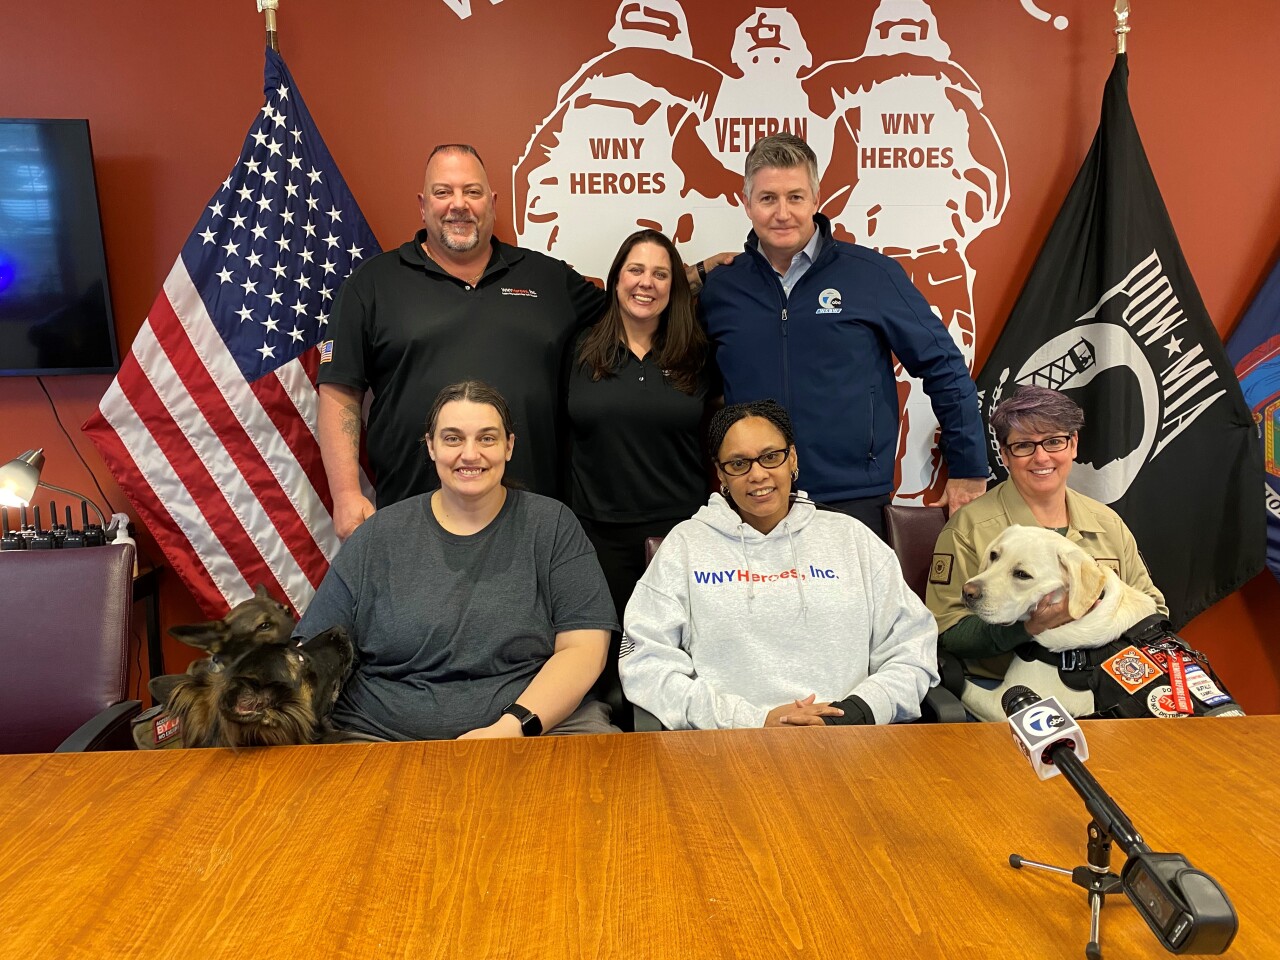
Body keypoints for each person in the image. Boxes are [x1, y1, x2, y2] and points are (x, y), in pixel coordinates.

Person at [318, 144, 727, 540]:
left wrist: (697, 274)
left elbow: (630, 301)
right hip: (413, 516)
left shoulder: (547, 279)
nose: (458, 204)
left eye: (472, 192)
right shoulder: (372, 284)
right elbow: (340, 389)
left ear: (493, 202)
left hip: (530, 522)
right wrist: (346, 493)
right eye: (444, 192)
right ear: (423, 205)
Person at [697, 132, 988, 539]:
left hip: (853, 500)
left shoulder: (871, 275)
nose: (782, 213)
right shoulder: (722, 289)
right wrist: (693, 273)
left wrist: (969, 467)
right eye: (767, 199)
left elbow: (944, 367)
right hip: (754, 498)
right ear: (746, 203)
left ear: (816, 200)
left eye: (795, 197)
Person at [295, 380, 619, 741]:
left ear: (509, 446)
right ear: (431, 446)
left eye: (487, 438)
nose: (470, 454)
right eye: (453, 438)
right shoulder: (378, 536)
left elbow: (584, 650)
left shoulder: (552, 526)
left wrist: (510, 729)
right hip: (381, 736)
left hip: (536, 728)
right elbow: (311, 649)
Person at [618, 399, 939, 730]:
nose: (758, 475)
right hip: (727, 747)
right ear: (721, 473)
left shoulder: (852, 539)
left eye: (771, 457)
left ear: (793, 458)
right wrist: (753, 720)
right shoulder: (685, 546)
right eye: (739, 463)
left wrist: (852, 714)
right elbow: (646, 663)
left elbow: (913, 646)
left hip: (850, 744)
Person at [567, 229, 717, 720]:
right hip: (595, 538)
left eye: (660, 273)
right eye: (635, 270)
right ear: (615, 279)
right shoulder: (579, 348)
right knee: (605, 677)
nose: (645, 283)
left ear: (675, 286)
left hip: (676, 536)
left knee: (673, 669)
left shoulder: (697, 352)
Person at [926, 386, 1168, 667]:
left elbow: (1153, 611)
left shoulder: (1109, 524)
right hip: (1007, 695)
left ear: (1074, 445)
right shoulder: (968, 528)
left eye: (1054, 442)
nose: (1041, 458)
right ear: (1004, 454)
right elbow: (948, 633)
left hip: (1105, 687)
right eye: (1024, 445)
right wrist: (1030, 628)